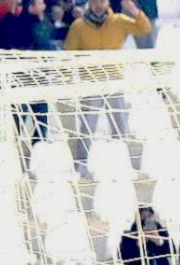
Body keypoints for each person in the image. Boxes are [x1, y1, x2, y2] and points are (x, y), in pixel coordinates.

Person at [64, 0, 152, 160]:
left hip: (114, 80)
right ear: (90, 3)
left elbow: (144, 28)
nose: (99, 5)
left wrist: (134, 10)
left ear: (108, 3)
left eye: (102, 1)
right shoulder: (78, 26)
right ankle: (81, 166)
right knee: (87, 128)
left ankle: (124, 162)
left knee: (121, 126)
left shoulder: (119, 21)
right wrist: (69, 79)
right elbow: (69, 54)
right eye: (96, 1)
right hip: (90, 83)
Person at [0, 0, 55, 145]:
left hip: (38, 78)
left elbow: (47, 48)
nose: (44, 6)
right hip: (20, 78)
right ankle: (19, 151)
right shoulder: (15, 22)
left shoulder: (42, 23)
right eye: (40, 3)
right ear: (31, 7)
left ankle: (37, 151)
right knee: (19, 117)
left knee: (40, 120)